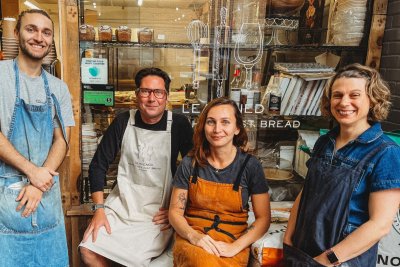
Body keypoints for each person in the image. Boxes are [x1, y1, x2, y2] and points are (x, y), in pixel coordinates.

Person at [283, 63, 400, 266]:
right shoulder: (324, 142)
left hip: (343, 261)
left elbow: (379, 225)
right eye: (337, 95)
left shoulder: (385, 152)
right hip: (304, 252)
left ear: (372, 100)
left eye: (354, 95)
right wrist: (289, 237)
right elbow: (307, 192)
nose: (344, 102)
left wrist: (329, 259)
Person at [79, 67, 193, 266]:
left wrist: (177, 210)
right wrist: (99, 209)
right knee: (88, 250)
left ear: (166, 97)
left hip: (157, 213)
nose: (152, 98)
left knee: (135, 260)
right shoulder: (123, 121)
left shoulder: (179, 125)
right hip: (121, 206)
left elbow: (195, 172)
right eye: (145, 91)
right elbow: (98, 165)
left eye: (158, 92)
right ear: (137, 95)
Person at [0, 9, 75, 267]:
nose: (39, 37)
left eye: (46, 32)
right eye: (31, 29)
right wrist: (32, 171)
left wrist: (39, 180)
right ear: (16, 33)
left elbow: (63, 140)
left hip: (45, 198)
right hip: (8, 201)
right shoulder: (1, 77)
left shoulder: (58, 88)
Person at [169, 97, 271, 267]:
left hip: (232, 241)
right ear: (203, 126)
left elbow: (264, 219)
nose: (217, 129)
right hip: (193, 238)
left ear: (237, 128)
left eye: (225, 122)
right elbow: (175, 213)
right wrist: (194, 237)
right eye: (211, 122)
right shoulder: (190, 163)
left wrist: (234, 247)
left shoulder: (250, 166)